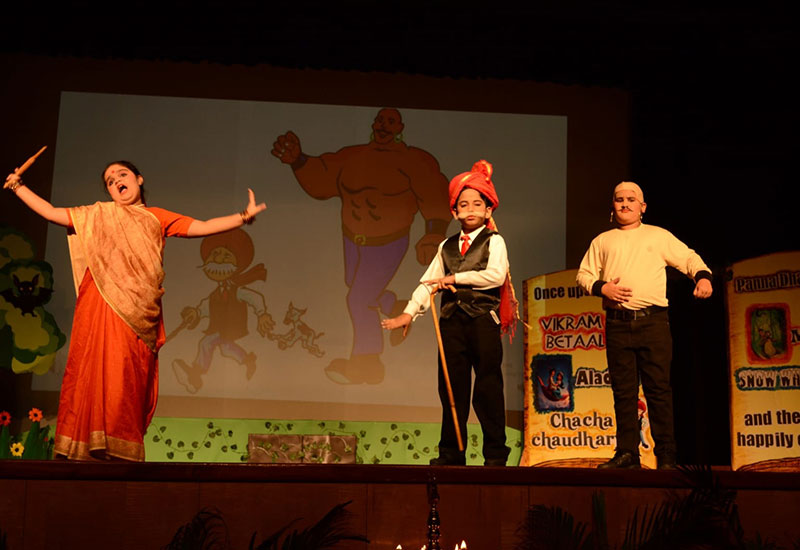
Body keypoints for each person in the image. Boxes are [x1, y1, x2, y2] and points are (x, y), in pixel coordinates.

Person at [4, 160, 267, 461]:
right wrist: (18, 187)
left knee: (125, 377)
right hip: (101, 302)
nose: (116, 180)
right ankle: (85, 446)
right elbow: (52, 213)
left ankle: (119, 446)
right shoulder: (98, 214)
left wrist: (243, 216)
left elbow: (202, 227)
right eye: (109, 180)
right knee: (92, 370)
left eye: (122, 174)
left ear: (139, 179)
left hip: (139, 312)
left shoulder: (156, 217)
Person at [272, 108, 451, 385]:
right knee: (355, 285)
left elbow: (434, 193)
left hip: (388, 243)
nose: (383, 125)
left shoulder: (413, 161)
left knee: (358, 299)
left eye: (390, 121)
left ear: (400, 127)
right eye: (380, 120)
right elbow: (322, 177)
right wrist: (298, 160)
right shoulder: (353, 156)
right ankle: (397, 307)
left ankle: (368, 364)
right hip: (352, 240)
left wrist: (434, 234)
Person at [381, 160, 516, 466]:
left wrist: (456, 278)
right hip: (452, 323)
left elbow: (495, 276)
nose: (470, 209)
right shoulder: (446, 246)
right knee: (452, 390)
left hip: (483, 321)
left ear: (488, 210)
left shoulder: (494, 241)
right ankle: (451, 454)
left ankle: (496, 455)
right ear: (454, 212)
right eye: (463, 205)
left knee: (488, 388)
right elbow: (428, 283)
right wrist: (409, 313)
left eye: (477, 204)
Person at [576, 181, 712, 470]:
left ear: (643, 207)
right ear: (612, 206)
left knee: (658, 390)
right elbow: (583, 275)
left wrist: (702, 276)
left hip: (653, 323)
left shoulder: (657, 236)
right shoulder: (603, 240)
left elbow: (688, 257)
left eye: (631, 199)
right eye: (619, 199)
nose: (625, 204)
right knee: (623, 392)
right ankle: (627, 453)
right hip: (618, 324)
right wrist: (602, 288)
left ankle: (667, 455)